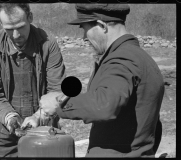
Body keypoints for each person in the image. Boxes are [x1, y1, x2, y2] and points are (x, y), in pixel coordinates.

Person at [34, 4, 164, 158]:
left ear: (102, 26)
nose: (83, 37)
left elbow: (105, 104)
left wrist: (58, 104)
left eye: (84, 28)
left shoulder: (122, 59)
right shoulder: (141, 57)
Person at [0, 3, 66, 157]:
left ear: (30, 17)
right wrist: (10, 117)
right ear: (1, 24)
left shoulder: (48, 44)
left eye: (20, 27)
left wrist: (38, 116)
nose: (16, 35)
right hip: (1, 127)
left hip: (43, 125)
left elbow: (56, 89)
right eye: (9, 29)